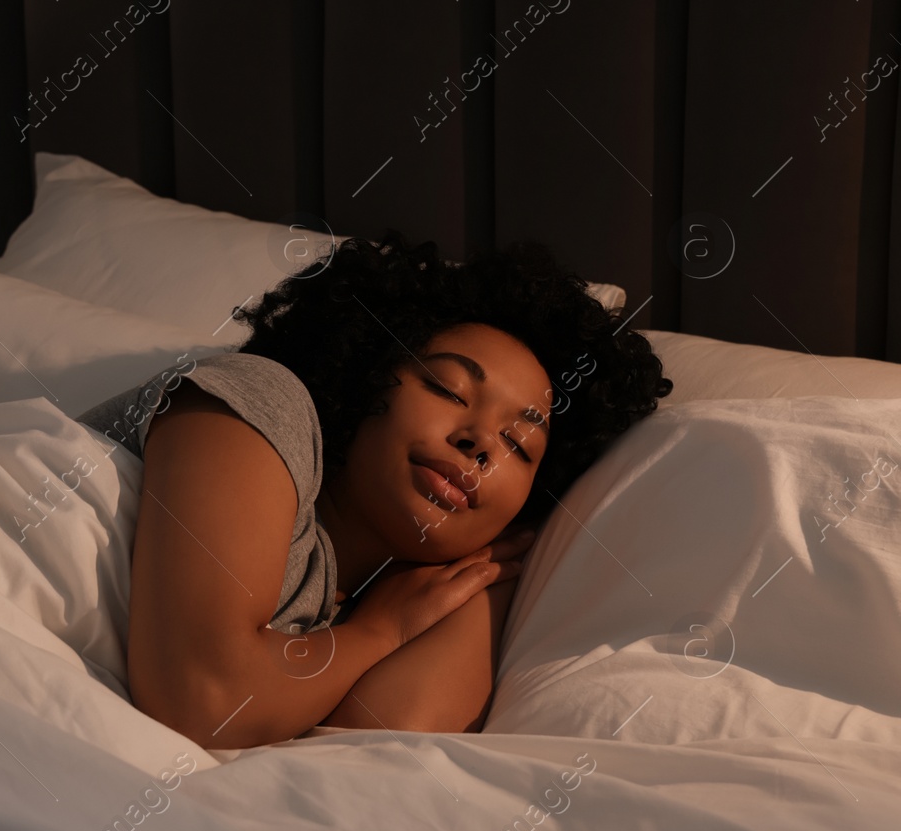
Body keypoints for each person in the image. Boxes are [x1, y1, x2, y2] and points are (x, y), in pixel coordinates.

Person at [75, 230, 672, 750]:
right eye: (448, 388)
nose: (481, 444)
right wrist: (382, 631)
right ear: (360, 372)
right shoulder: (261, 404)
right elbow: (202, 698)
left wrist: (486, 573)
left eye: (519, 448)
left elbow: (379, 748)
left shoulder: (363, 600)